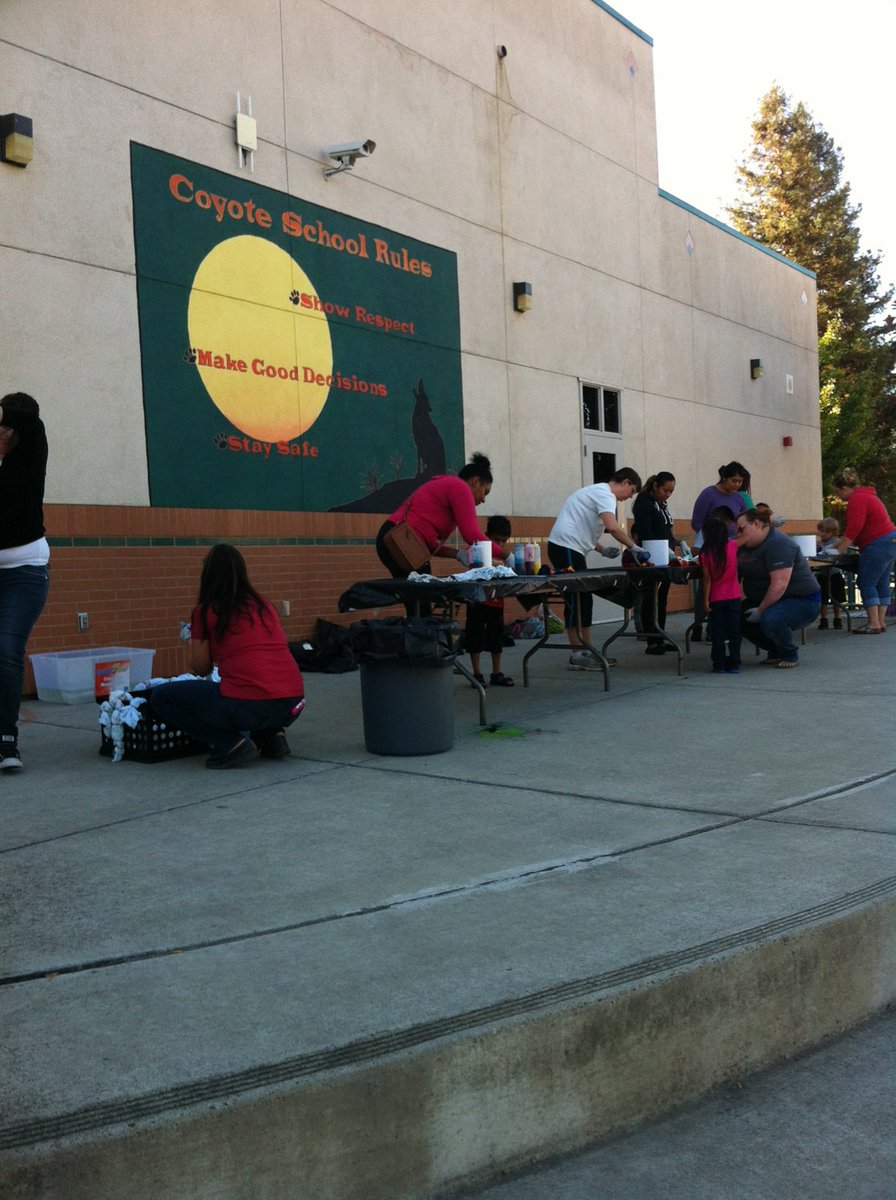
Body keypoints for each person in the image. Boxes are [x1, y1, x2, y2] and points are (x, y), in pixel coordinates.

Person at [152, 545, 305, 768]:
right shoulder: (264, 606)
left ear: (207, 574)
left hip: (249, 705)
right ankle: (273, 737)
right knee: (255, 690)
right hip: (293, 703)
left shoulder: (206, 612)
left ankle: (229, 744)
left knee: (161, 697)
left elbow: (201, 668)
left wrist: (195, 641)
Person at [376, 452, 499, 615]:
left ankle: (419, 635)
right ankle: (420, 637)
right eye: (485, 492)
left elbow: (431, 547)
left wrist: (459, 554)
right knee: (420, 602)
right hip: (400, 541)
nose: (483, 500)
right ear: (475, 482)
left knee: (418, 603)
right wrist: (507, 555)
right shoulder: (460, 487)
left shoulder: (448, 489)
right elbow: (471, 535)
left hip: (398, 541)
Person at [547, 468, 644, 669]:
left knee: (584, 598)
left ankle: (587, 650)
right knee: (576, 599)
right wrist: (634, 547)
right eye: (631, 491)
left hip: (569, 547)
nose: (629, 496)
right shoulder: (605, 494)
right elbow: (614, 527)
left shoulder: (597, 492)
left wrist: (601, 549)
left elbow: (581, 526)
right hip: (566, 547)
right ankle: (578, 654)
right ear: (624, 482)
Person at [0, 393, 50, 771]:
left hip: (25, 570)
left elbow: (31, 425)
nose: (5, 432)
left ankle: (6, 742)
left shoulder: (31, 458)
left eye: (9, 427)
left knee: (6, 649)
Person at [735, 509, 821, 668]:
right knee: (734, 616)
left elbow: (779, 583)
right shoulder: (745, 546)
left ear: (756, 524)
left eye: (741, 529)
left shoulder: (779, 543)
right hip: (763, 599)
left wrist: (760, 610)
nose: (738, 533)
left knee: (771, 618)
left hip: (801, 600)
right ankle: (775, 649)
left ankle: (789, 653)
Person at [831, 468, 896, 634]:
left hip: (877, 544)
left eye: (837, 491)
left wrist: (838, 551)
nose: (838, 496)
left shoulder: (857, 499)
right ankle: (880, 622)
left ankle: (873, 623)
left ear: (844, 487)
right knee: (881, 582)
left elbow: (854, 528)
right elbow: (863, 528)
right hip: (890, 541)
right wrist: (840, 543)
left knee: (866, 582)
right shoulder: (868, 495)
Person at [689, 462, 749, 640]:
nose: (736, 485)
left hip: (731, 547)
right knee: (708, 585)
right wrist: (710, 538)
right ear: (724, 478)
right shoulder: (708, 494)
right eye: (734, 480)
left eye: (740, 482)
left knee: (728, 584)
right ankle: (699, 624)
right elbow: (696, 522)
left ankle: (718, 627)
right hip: (710, 545)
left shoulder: (739, 498)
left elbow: (744, 519)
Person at [632, 471, 679, 655]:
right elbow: (646, 532)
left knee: (662, 598)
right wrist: (658, 550)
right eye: (664, 490)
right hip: (653, 555)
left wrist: (675, 543)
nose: (667, 494)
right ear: (655, 486)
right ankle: (652, 640)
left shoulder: (661, 504)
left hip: (665, 554)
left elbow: (666, 528)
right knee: (652, 596)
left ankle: (660, 636)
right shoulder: (644, 503)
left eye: (670, 492)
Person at [465, 515, 514, 687]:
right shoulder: (478, 549)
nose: (499, 545)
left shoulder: (505, 557)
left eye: (503, 541)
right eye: (496, 540)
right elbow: (471, 569)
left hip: (496, 602)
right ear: (487, 537)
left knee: (496, 637)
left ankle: (496, 672)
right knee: (475, 636)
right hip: (477, 601)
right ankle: (477, 673)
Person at [700, 514, 742, 674]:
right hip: (733, 595)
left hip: (716, 597)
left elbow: (706, 579)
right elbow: (745, 537)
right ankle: (735, 663)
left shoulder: (705, 554)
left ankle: (718, 664)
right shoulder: (732, 546)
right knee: (734, 631)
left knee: (717, 632)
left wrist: (705, 600)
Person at [815, 517, 846, 630]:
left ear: (833, 533)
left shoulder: (836, 542)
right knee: (822, 599)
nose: (822, 534)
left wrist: (824, 549)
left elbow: (837, 554)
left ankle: (837, 619)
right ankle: (824, 619)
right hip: (822, 574)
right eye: (821, 531)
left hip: (834, 573)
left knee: (836, 598)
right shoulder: (819, 543)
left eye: (826, 532)